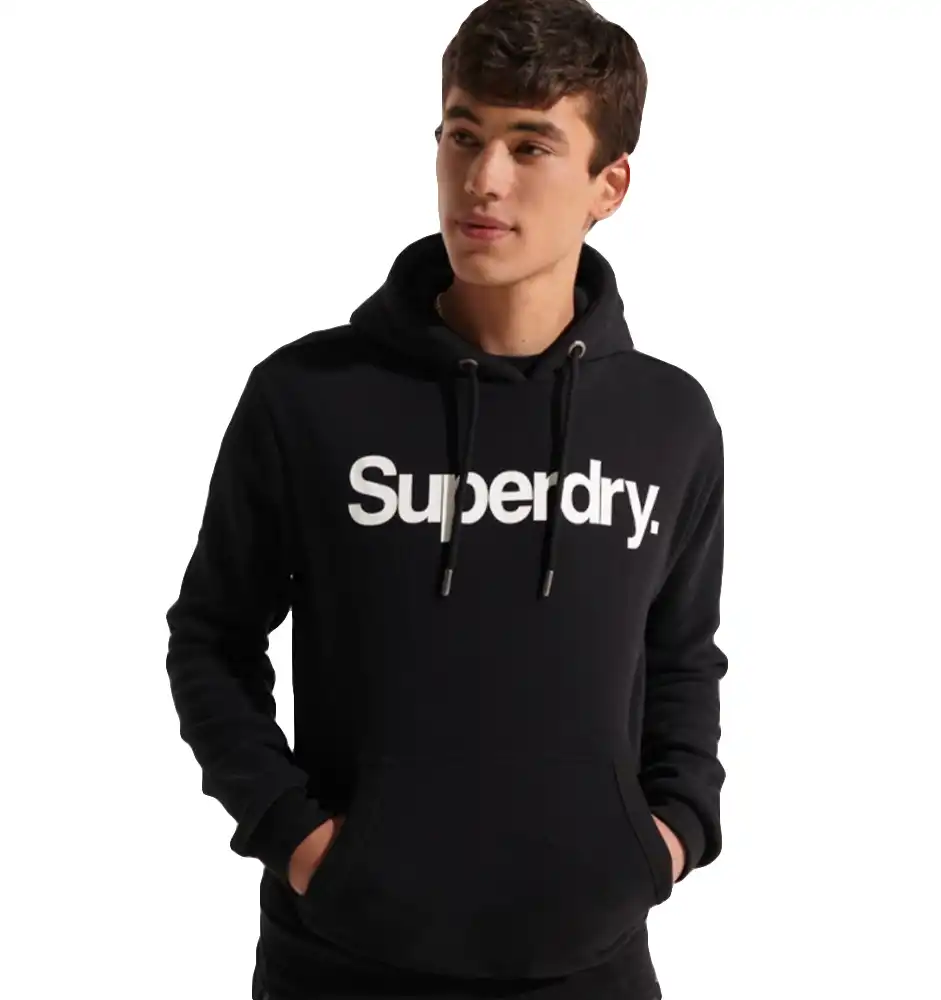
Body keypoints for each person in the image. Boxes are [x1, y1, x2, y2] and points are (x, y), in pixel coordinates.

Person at [164, 1, 727, 997]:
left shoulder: (668, 420)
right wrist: (296, 837)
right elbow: (211, 637)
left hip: (591, 967)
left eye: (530, 146)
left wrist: (670, 833)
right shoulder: (309, 398)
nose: (483, 179)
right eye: (463, 136)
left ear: (609, 186)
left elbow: (681, 658)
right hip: (341, 961)